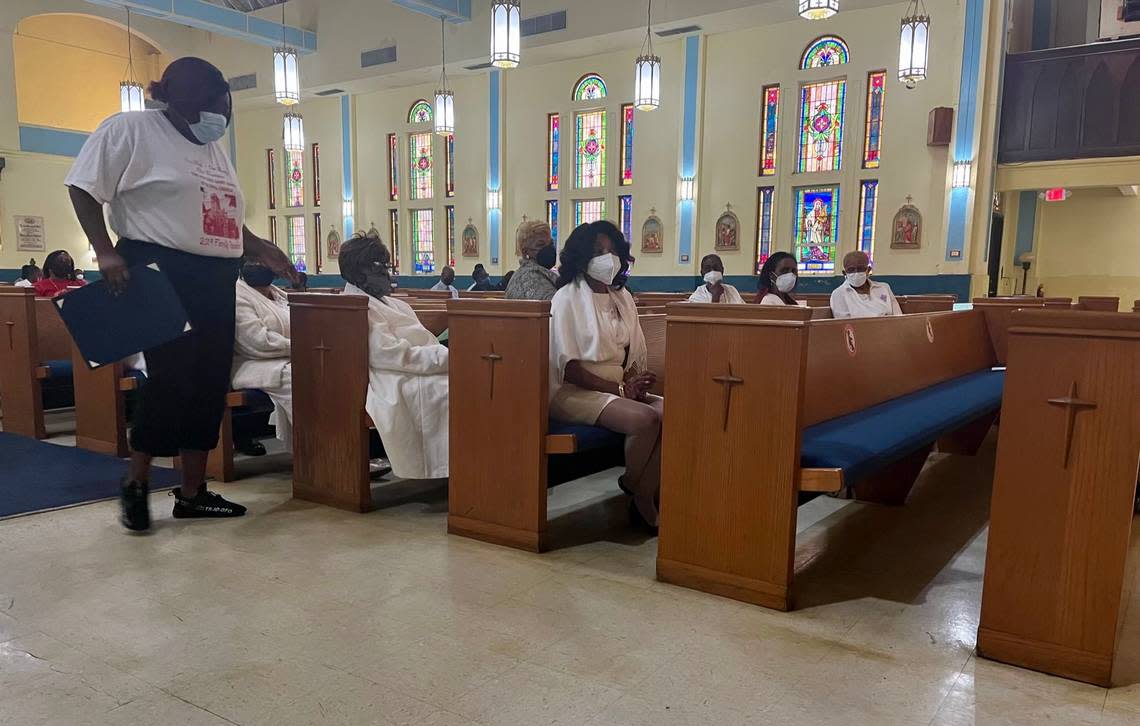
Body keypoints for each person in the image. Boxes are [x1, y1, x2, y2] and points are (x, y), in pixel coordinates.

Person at [66, 57, 299, 531]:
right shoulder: (130, 130)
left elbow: (221, 215)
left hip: (216, 274)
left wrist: (259, 247)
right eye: (213, 107)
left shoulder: (212, 148)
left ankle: (193, 492)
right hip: (158, 268)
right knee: (170, 379)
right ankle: (136, 482)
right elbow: (82, 188)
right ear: (186, 101)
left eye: (224, 109)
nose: (220, 118)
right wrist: (105, 252)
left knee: (211, 382)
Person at [550, 220, 662, 532]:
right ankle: (639, 492)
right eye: (599, 252)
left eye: (612, 251)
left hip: (617, 387)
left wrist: (636, 382)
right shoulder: (566, 299)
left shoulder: (621, 297)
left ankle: (638, 484)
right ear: (582, 257)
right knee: (646, 419)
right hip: (573, 391)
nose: (607, 258)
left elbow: (633, 352)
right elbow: (568, 367)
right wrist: (620, 389)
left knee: (671, 411)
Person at [339, 231, 449, 479]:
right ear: (358, 273)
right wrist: (448, 359)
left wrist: (447, 356)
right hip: (389, 377)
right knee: (452, 392)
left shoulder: (397, 304)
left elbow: (426, 340)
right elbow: (390, 354)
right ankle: (450, 467)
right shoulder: (353, 308)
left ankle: (468, 462)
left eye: (388, 267)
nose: (388, 275)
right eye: (380, 268)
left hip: (421, 366)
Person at [231, 260, 293, 450]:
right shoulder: (237, 295)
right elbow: (257, 342)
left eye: (262, 261)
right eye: (252, 260)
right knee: (306, 378)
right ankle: (315, 450)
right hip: (251, 364)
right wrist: (302, 345)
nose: (257, 264)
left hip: (287, 358)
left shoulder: (279, 294)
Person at [830, 250, 902, 318]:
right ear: (844, 273)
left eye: (860, 268)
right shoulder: (838, 294)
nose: (856, 272)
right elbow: (846, 325)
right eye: (851, 270)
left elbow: (898, 316)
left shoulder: (884, 288)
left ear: (868, 270)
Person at [506, 220, 558, 301]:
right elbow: (558, 306)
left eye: (550, 244)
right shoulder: (530, 277)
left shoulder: (528, 272)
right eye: (541, 245)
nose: (548, 248)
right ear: (525, 251)